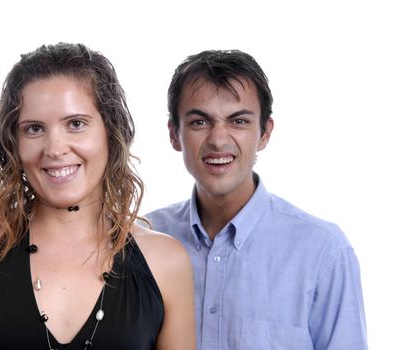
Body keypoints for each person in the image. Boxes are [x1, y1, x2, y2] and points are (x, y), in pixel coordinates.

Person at [0, 42, 195, 350]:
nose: (54, 148)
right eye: (34, 129)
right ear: (14, 142)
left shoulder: (165, 262)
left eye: (75, 124)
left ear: (110, 131)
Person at [146, 49, 368, 350]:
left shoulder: (323, 252)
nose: (218, 139)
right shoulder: (143, 242)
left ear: (265, 133)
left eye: (238, 121)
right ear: (174, 134)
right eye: (200, 122)